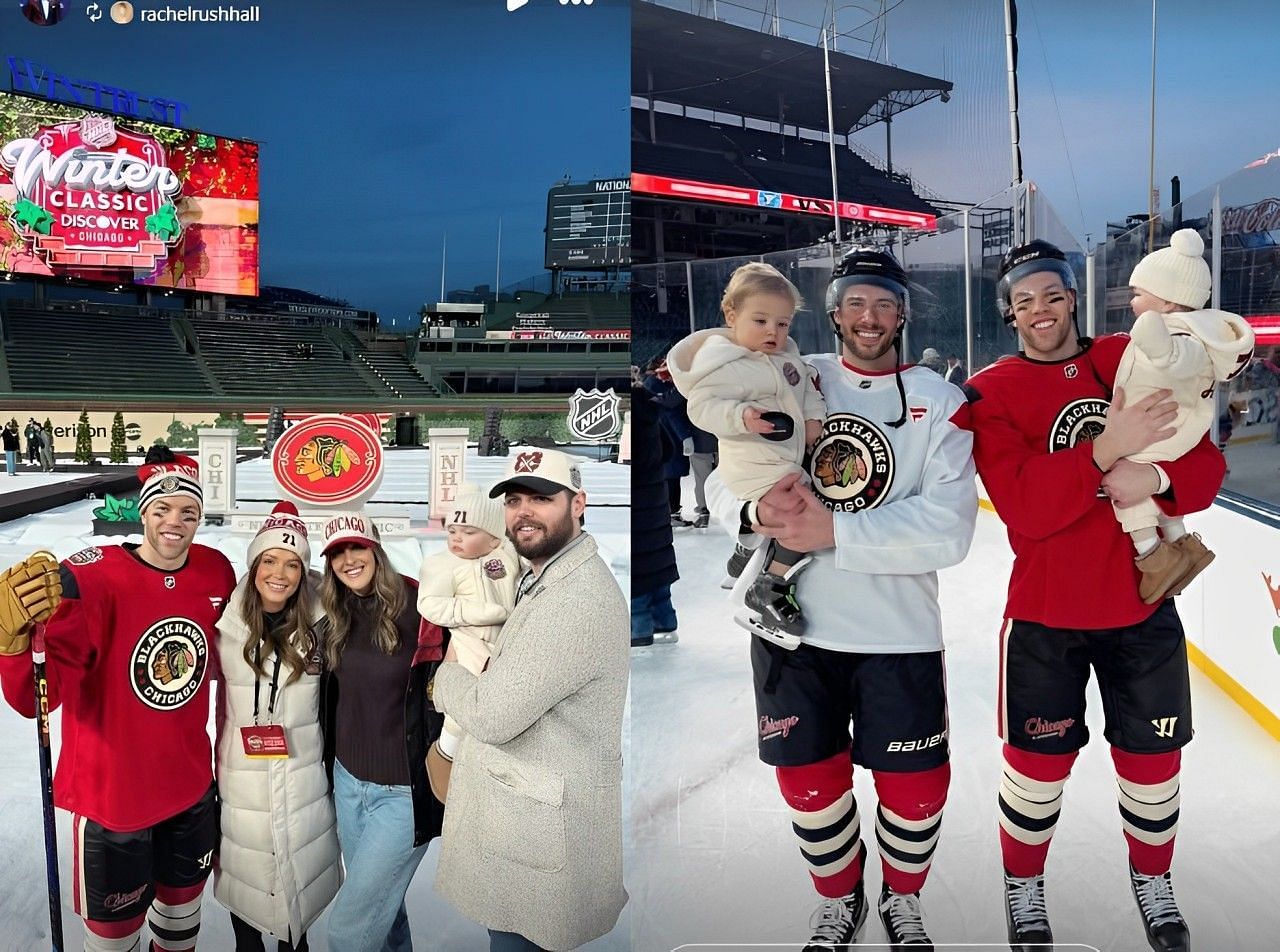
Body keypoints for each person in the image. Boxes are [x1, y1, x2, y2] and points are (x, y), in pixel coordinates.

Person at [704, 248, 977, 948]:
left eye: (884, 303)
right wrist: (752, 516)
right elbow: (724, 475)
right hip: (795, 629)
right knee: (808, 783)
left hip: (898, 634)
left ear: (902, 314)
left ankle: (903, 899)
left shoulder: (938, 401)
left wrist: (836, 528)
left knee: (917, 792)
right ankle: (839, 897)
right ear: (833, 311)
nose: (869, 316)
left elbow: (949, 528)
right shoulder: (792, 374)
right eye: (856, 301)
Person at [963, 239, 1226, 952]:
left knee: (1152, 764)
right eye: (1024, 300)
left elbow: (1205, 464)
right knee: (1036, 770)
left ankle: (1153, 879)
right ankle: (1024, 884)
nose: (1040, 309)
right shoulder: (993, 390)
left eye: (1051, 294)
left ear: (1071, 297)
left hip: (1141, 610)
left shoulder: (1122, 356)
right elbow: (1024, 507)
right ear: (1009, 310)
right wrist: (1106, 451)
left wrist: (1161, 482)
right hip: (1046, 618)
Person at [0, 446, 236, 952]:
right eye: (162, 510)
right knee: (113, 940)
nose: (175, 522)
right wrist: (17, 648)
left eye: (188, 512)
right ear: (143, 512)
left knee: (180, 922)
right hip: (114, 800)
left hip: (191, 788)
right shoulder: (89, 578)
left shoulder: (216, 572)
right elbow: (35, 698)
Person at [432, 448, 628, 951]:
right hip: (523, 811)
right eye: (515, 500)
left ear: (578, 502)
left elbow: (493, 715)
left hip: (537, 825)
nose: (523, 512)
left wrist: (444, 677)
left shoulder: (573, 597)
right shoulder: (546, 574)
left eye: (541, 498)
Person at [667, 262, 827, 641]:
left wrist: (813, 419)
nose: (773, 331)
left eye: (783, 323)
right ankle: (768, 585)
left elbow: (807, 392)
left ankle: (747, 550)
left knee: (802, 510)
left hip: (785, 457)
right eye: (761, 321)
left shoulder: (789, 358)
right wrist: (743, 416)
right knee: (797, 515)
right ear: (731, 315)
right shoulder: (725, 364)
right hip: (752, 462)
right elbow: (701, 407)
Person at [214, 501, 341, 951]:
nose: (280, 574)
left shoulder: (325, 625)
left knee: (295, 909)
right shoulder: (224, 626)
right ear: (253, 565)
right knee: (247, 910)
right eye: (269, 560)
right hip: (241, 784)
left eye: (293, 564)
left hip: (302, 782)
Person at [319, 511, 444, 952]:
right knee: (382, 910)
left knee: (350, 931)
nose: (349, 560)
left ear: (375, 549)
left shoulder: (424, 604)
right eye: (337, 554)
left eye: (357, 548)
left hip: (404, 792)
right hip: (348, 781)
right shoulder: (333, 611)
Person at [1112, 228, 1254, 602]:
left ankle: (1153, 556)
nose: (1132, 303)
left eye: (1138, 295)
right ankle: (1182, 544)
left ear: (1170, 302)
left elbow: (1180, 359)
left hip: (1161, 427)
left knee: (1122, 483)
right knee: (1139, 480)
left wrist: (1160, 348)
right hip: (1168, 422)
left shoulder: (1184, 335)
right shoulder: (1187, 329)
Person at [416, 484, 520, 798]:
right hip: (470, 642)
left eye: (468, 531)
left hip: (508, 642)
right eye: (452, 531)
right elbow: (431, 604)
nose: (457, 539)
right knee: (466, 703)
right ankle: (444, 753)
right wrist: (477, 612)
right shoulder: (443, 565)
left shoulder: (507, 555)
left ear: (493, 537)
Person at [631, 377, 681, 646]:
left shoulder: (628, 419)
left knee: (638, 570)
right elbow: (670, 448)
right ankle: (665, 619)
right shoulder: (651, 410)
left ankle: (638, 628)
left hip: (638, 504)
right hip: (656, 500)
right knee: (657, 567)